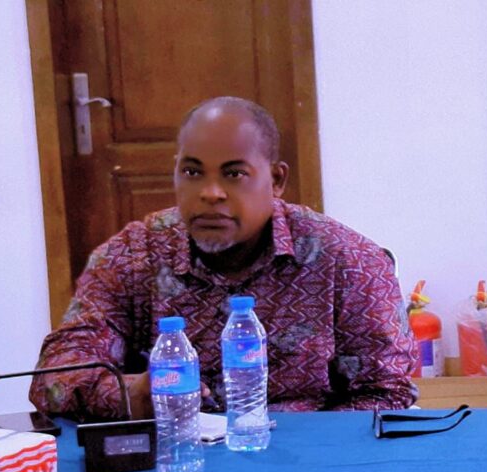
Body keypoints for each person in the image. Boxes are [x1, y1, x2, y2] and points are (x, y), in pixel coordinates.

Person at [31, 97, 417, 419]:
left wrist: (303, 446)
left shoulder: (349, 262)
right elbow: (55, 378)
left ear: (277, 180)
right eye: (192, 172)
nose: (210, 193)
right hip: (174, 457)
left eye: (234, 175)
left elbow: (388, 392)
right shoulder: (132, 256)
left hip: (306, 462)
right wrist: (129, 396)